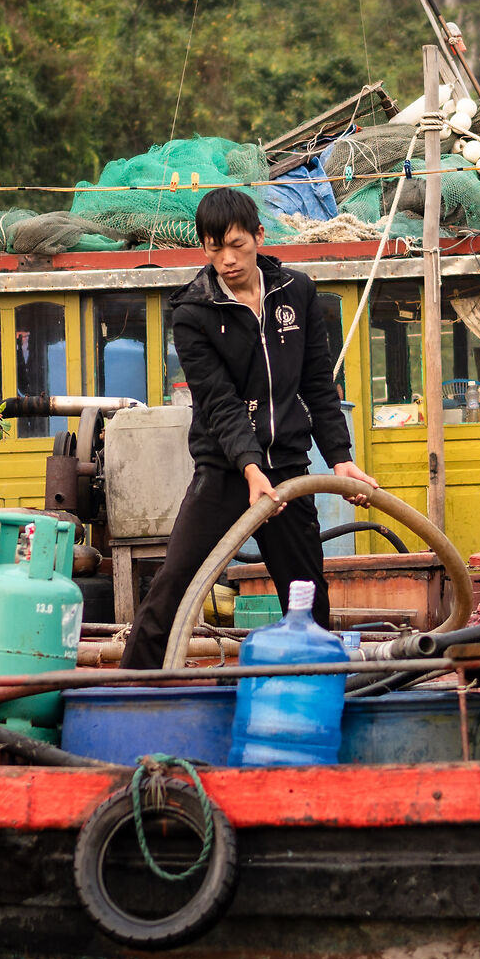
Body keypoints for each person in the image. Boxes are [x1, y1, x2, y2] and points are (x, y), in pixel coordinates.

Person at [119, 188, 378, 671]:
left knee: (307, 594)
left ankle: (316, 687)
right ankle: (125, 691)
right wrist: (250, 467)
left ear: (259, 236)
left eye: (236, 245)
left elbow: (319, 386)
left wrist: (341, 459)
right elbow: (220, 403)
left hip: (290, 471)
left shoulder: (297, 292)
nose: (226, 259)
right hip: (226, 472)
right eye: (214, 248)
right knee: (175, 583)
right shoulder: (194, 312)